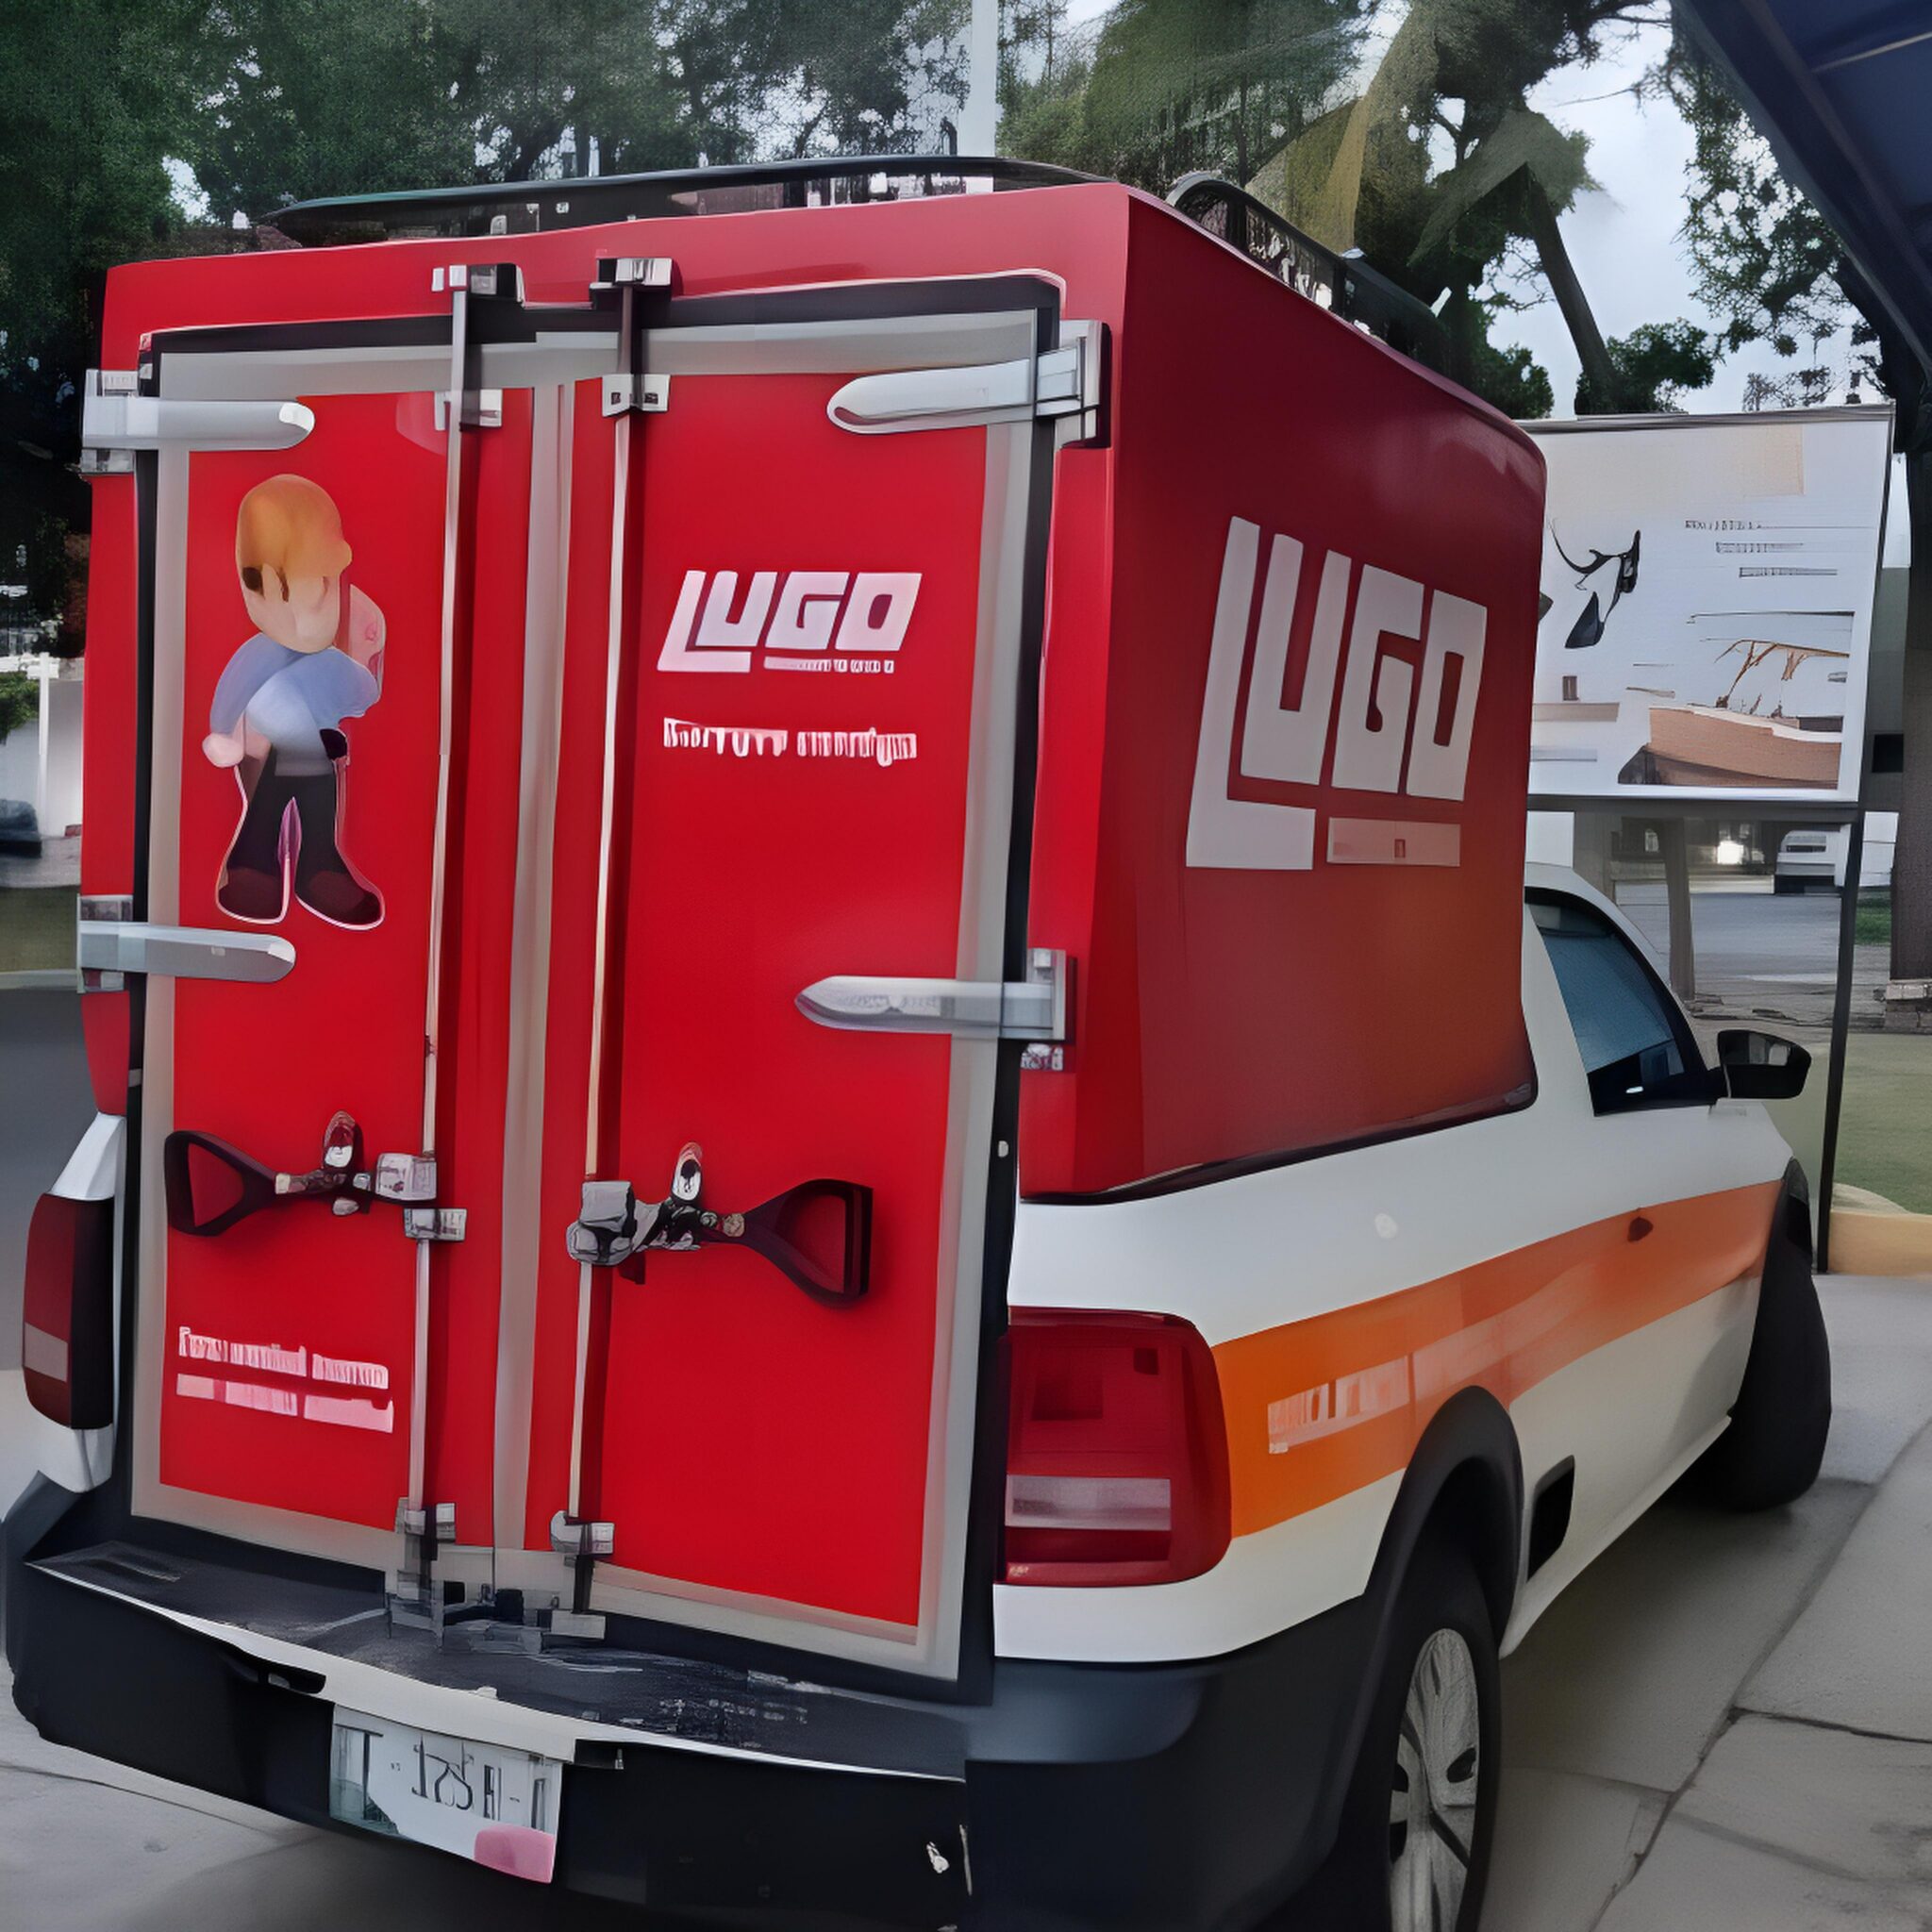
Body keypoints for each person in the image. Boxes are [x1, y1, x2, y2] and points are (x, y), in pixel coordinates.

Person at [204, 475, 387, 927]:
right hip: (265, 732)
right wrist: (224, 733)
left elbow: (354, 692)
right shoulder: (264, 654)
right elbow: (235, 688)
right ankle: (305, 866)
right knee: (297, 758)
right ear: (266, 586)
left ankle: (267, 863)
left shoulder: (324, 655)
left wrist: (362, 668)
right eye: (319, 586)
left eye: (330, 584)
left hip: (296, 742)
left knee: (303, 763)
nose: (329, 600)